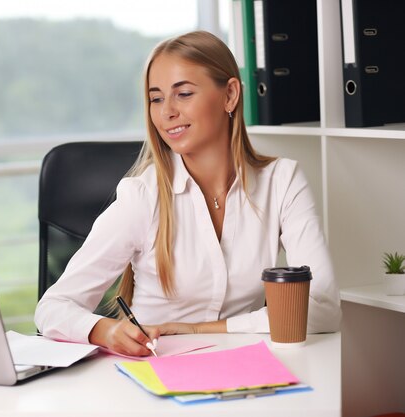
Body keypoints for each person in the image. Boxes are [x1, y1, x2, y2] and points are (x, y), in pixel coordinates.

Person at [34, 30, 341, 356]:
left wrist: (200, 330)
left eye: (183, 94)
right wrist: (104, 330)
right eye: (156, 98)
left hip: (244, 373)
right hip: (155, 372)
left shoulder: (282, 181)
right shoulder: (142, 196)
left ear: (230, 95)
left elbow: (323, 308)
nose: (166, 112)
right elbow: (52, 307)